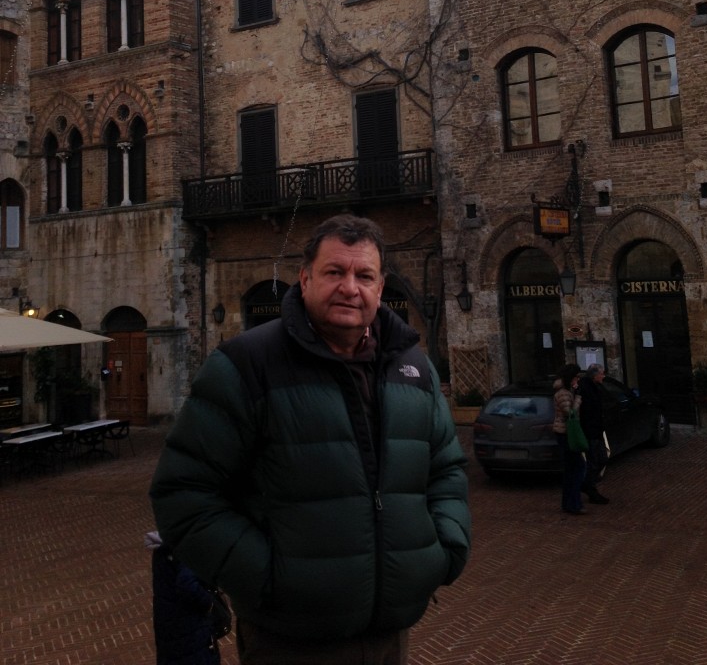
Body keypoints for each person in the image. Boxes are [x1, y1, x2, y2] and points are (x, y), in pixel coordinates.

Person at [150, 214, 471, 665]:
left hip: (389, 632)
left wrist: (443, 550)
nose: (349, 287)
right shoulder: (245, 365)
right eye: (334, 272)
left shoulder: (413, 368)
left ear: (380, 290)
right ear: (304, 279)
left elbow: (447, 469)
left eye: (364, 276)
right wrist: (268, 579)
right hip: (288, 640)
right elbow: (182, 493)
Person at [145, 530, 222, 665]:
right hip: (190, 625)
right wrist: (208, 603)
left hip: (171, 621)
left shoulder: (165, 543)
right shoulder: (187, 543)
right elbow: (188, 585)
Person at [552, 363, 587, 516]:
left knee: (571, 469)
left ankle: (569, 503)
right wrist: (578, 397)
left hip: (565, 433)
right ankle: (573, 503)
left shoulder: (566, 391)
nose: (578, 380)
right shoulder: (564, 393)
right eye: (576, 377)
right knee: (577, 468)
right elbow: (570, 413)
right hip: (565, 434)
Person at [578, 362, 610, 504]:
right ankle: (589, 487)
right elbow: (587, 412)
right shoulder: (586, 389)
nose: (603, 376)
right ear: (595, 375)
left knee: (602, 458)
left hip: (596, 430)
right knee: (595, 460)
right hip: (591, 431)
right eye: (602, 373)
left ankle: (588, 485)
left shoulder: (594, 387)